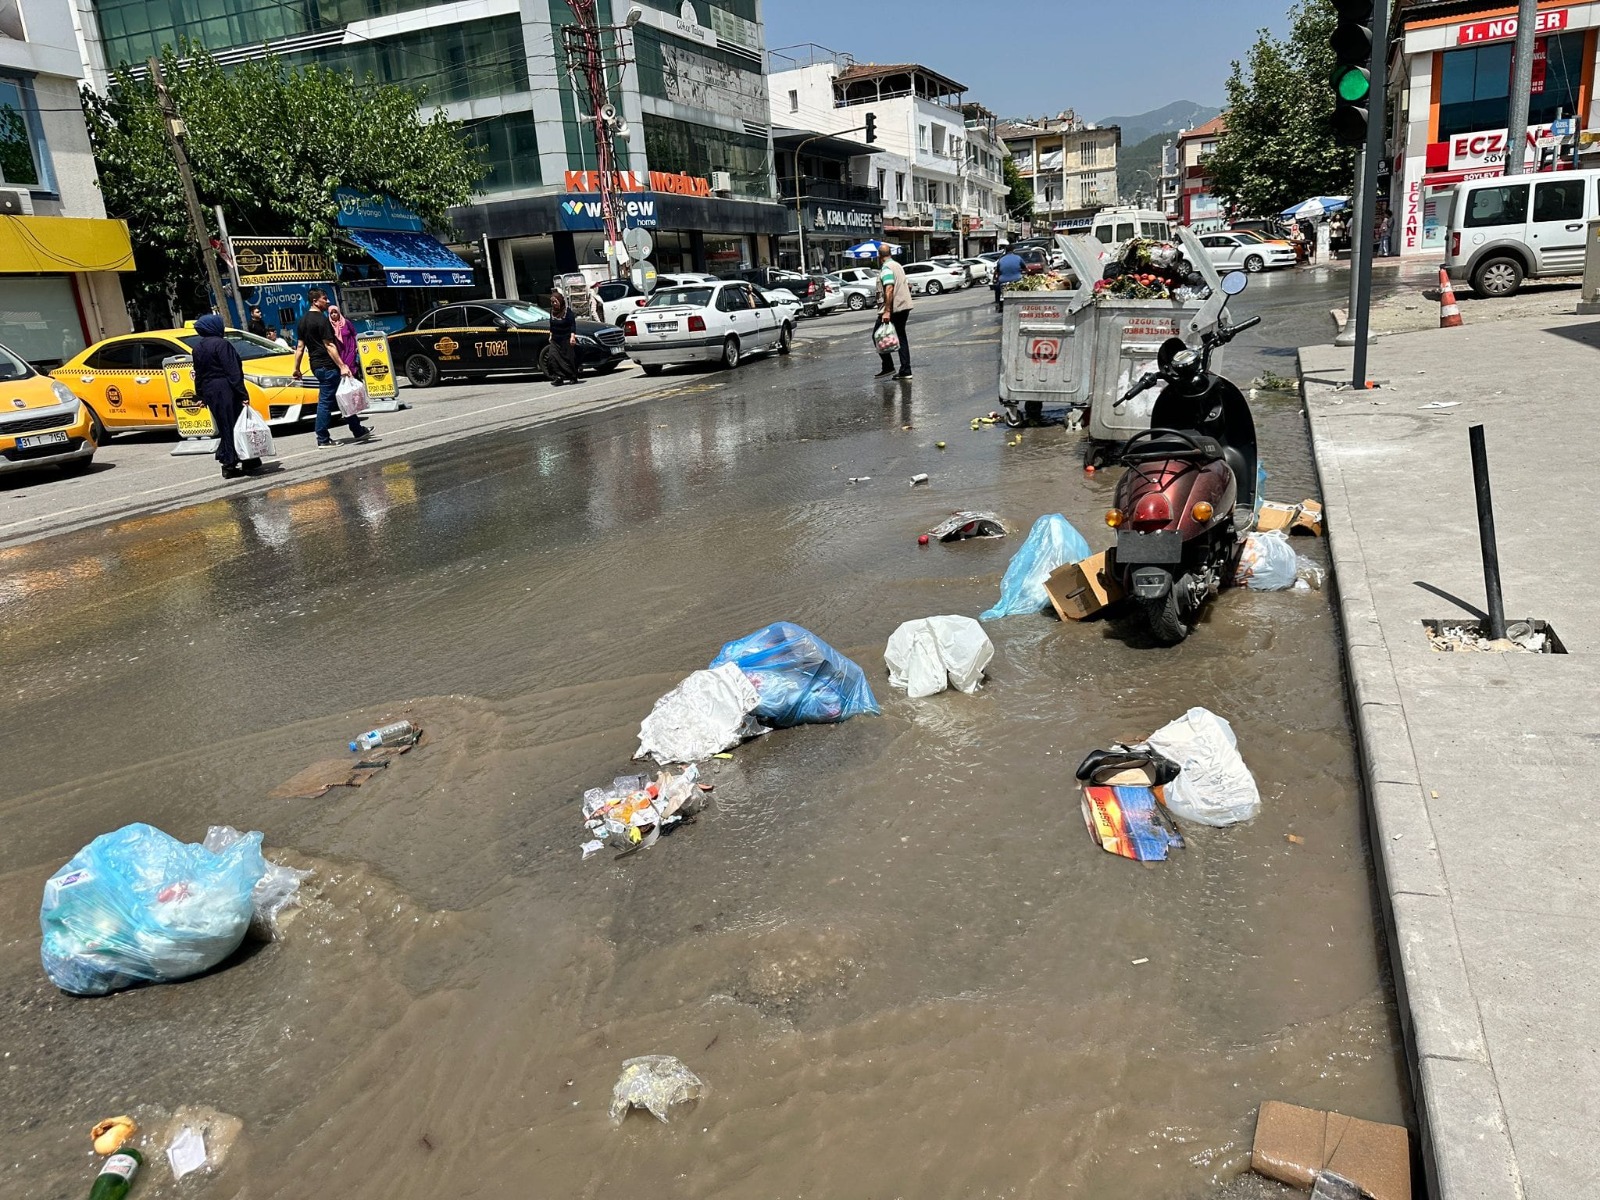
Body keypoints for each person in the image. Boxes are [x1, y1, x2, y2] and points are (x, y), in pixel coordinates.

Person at [292, 288, 369, 448]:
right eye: (324, 299)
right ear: (315, 301)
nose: (327, 302)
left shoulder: (303, 321)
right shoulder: (321, 320)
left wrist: (296, 368)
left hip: (316, 365)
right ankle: (323, 438)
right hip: (327, 366)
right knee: (326, 402)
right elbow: (329, 345)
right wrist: (342, 366)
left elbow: (300, 347)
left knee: (342, 397)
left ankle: (358, 430)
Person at [191, 313, 261, 480]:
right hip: (226, 389)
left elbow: (198, 374)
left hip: (210, 390)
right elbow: (233, 371)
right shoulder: (222, 345)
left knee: (224, 425)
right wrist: (242, 393)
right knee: (236, 425)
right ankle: (234, 461)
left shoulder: (198, 348)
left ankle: (235, 460)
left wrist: (200, 395)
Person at [875, 246, 913, 380]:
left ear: (879, 256)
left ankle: (888, 366)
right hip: (904, 306)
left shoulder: (886, 269)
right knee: (901, 337)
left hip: (893, 309)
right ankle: (905, 370)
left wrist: (887, 311)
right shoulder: (898, 265)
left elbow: (889, 289)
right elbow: (907, 284)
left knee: (877, 335)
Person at [546, 290, 580, 386]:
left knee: (568, 358)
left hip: (566, 338)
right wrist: (551, 335)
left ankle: (573, 376)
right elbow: (551, 325)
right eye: (552, 302)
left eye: (555, 302)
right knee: (552, 357)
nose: (554, 304)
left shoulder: (567, 312)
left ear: (560, 301)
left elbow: (572, 325)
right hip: (555, 339)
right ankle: (558, 377)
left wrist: (572, 337)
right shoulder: (552, 312)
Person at [328, 303, 360, 377]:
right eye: (331, 313)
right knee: (343, 369)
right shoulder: (329, 326)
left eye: (335, 312)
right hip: (340, 352)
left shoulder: (346, 322)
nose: (334, 314)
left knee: (351, 368)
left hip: (350, 349)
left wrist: (356, 345)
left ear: (339, 313)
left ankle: (355, 384)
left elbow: (354, 334)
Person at [994, 246, 1025, 310]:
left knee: (997, 289)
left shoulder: (1001, 259)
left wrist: (996, 278)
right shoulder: (1018, 258)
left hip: (1003, 280)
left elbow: (997, 271)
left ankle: (998, 303)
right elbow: (1025, 267)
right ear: (1013, 250)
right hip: (1017, 279)